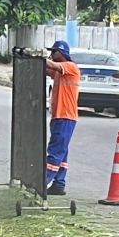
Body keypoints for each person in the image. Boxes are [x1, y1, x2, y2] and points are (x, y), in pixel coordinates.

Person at [44, 40, 81, 196]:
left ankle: (41, 183)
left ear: (62, 53)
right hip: (59, 116)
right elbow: (47, 70)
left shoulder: (70, 67)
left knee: (55, 152)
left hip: (65, 117)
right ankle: (59, 184)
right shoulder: (60, 72)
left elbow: (52, 66)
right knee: (62, 152)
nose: (52, 54)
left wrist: (37, 57)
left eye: (54, 51)